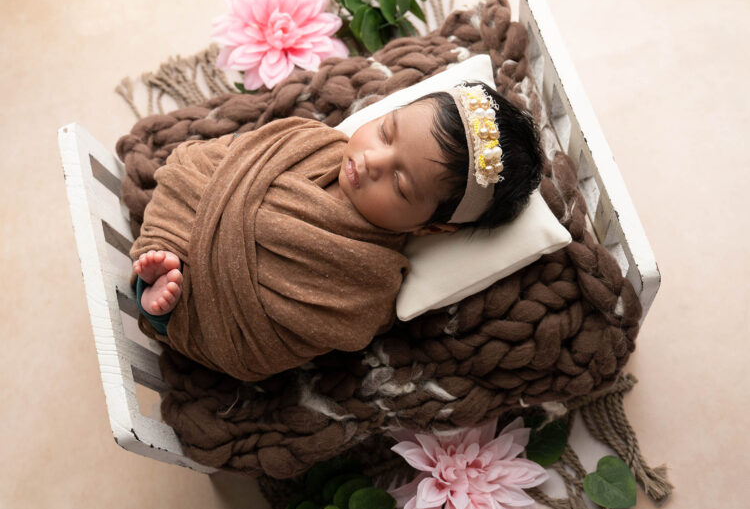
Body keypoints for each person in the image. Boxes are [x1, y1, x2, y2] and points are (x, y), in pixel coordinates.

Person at [131, 81, 543, 381]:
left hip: (223, 318)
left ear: (432, 227)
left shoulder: (370, 274)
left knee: (183, 305)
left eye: (400, 184)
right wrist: (216, 179)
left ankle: (161, 301)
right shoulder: (310, 140)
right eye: (385, 131)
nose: (372, 160)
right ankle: (161, 262)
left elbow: (304, 334)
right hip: (188, 217)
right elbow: (214, 159)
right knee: (180, 205)